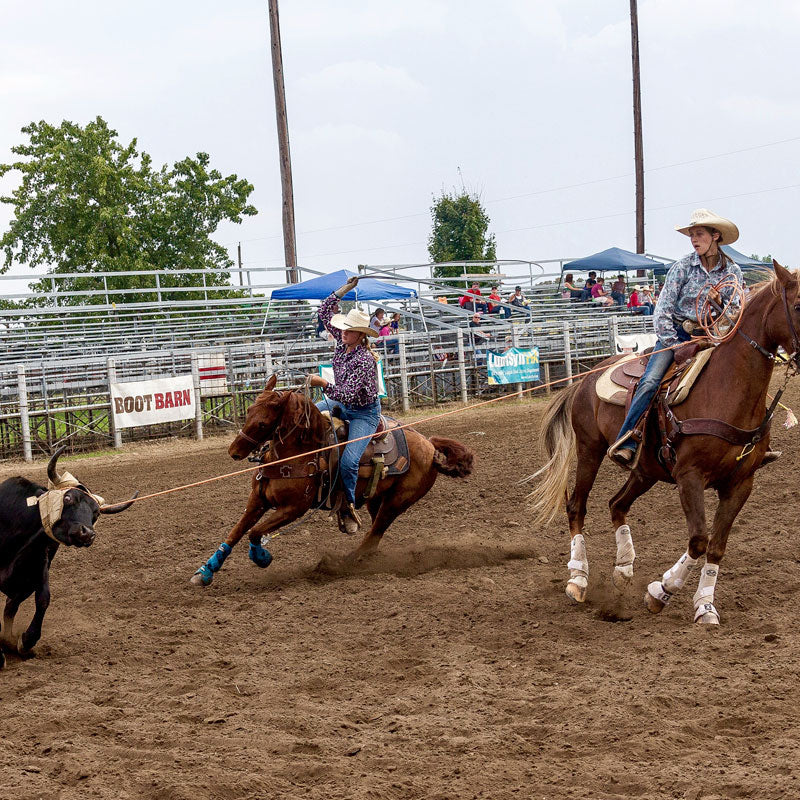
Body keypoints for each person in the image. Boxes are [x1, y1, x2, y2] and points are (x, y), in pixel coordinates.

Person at [607, 208, 780, 468]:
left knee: (746, 377)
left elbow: (736, 313)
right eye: (692, 235)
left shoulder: (732, 272)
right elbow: (662, 313)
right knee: (651, 380)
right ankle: (627, 439)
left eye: (699, 234)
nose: (694, 239)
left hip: (712, 336)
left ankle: (757, 443)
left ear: (715, 236)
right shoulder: (683, 268)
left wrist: (720, 303)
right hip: (676, 335)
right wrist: (676, 346)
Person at [308, 275, 381, 533]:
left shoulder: (364, 360)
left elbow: (349, 394)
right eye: (344, 329)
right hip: (340, 400)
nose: (343, 332)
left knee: (350, 460)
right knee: (307, 416)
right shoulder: (342, 343)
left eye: (349, 330)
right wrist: (345, 290)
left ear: (360, 336)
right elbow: (324, 310)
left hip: (363, 412)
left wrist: (322, 383)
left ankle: (348, 506)